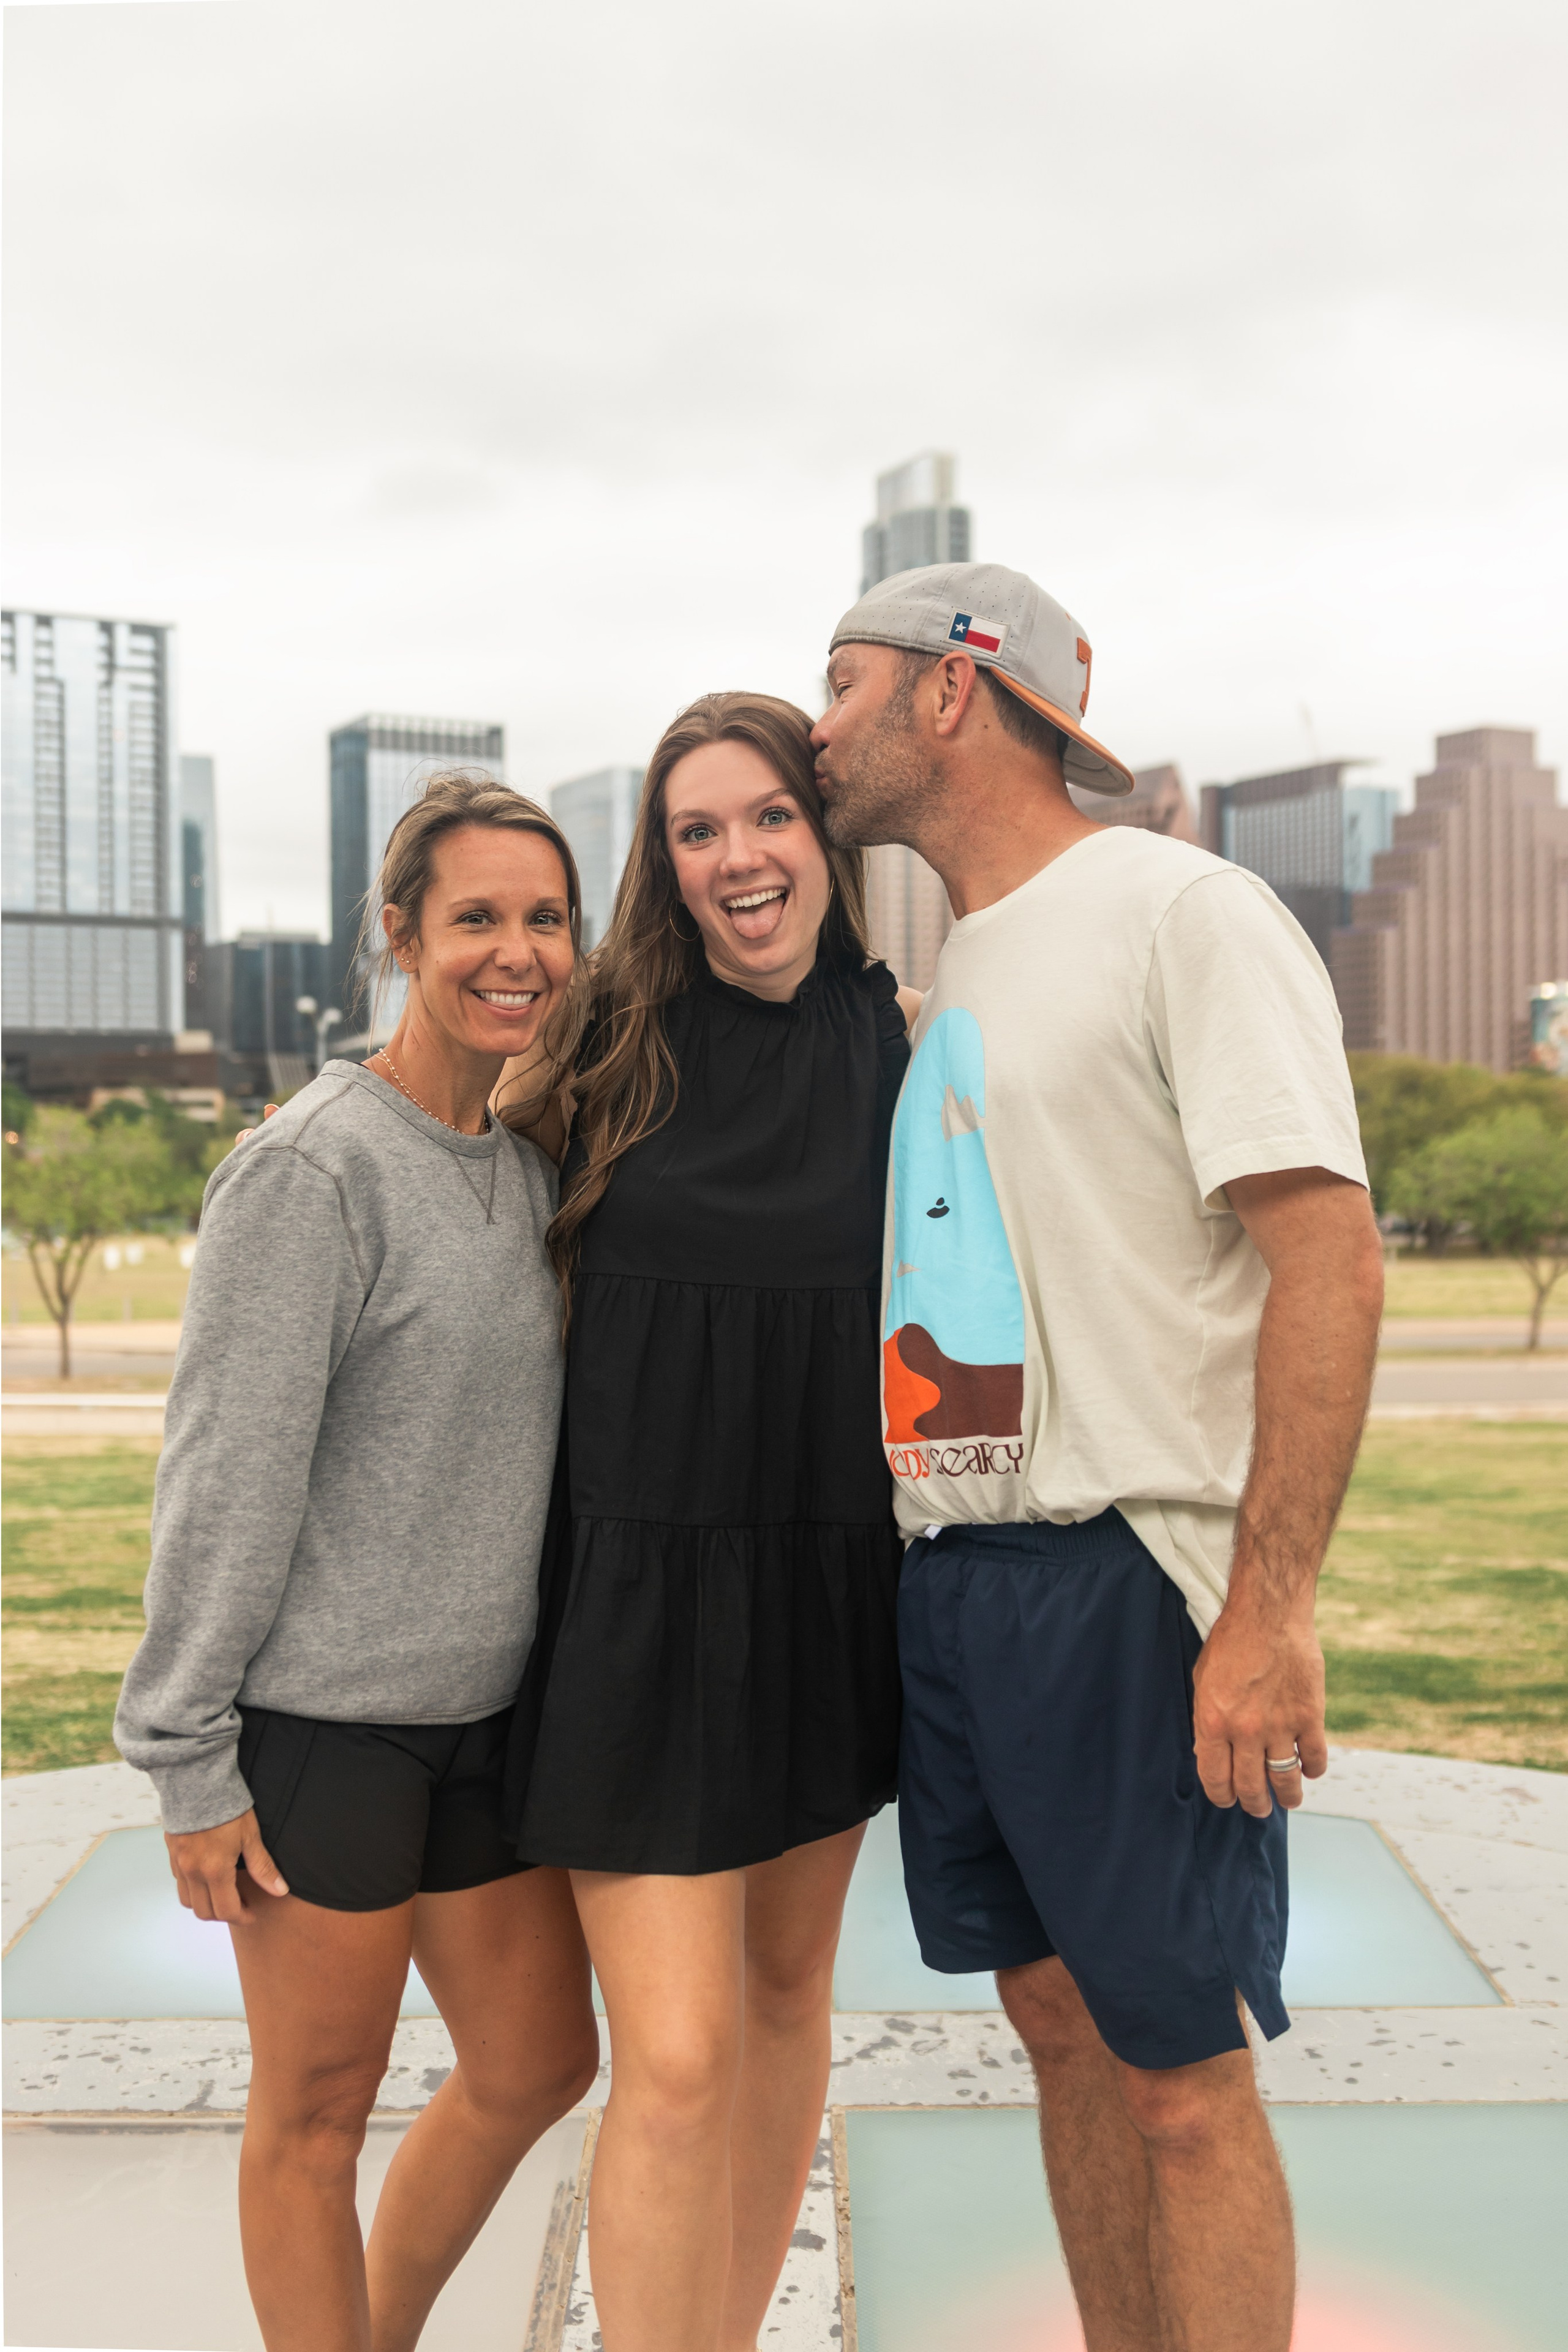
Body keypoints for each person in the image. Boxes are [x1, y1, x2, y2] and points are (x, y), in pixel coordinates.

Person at [812, 564, 1384, 2352]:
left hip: (1123, 1577)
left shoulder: (1180, 913)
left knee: (1181, 2079)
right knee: (1056, 2028)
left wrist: (1268, 1604)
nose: (817, 726)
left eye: (841, 684)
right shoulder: (954, 963)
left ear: (953, 691)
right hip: (958, 1578)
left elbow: (1329, 1253)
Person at [115, 773, 601, 2352]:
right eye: (475, 918)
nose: (514, 950)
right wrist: (189, 1758)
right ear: (399, 936)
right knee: (316, 2112)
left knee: (538, 2062)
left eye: (544, 918)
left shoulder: (525, 1170)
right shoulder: (311, 1170)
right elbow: (224, 1474)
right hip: (322, 1729)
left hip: (484, 1718)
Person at [509, 693, 914, 2352]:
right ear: (664, 865)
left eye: (767, 817)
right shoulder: (596, 1040)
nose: (738, 856)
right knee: (670, 2057)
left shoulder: (904, 1040)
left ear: (824, 839)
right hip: (634, 1589)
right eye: (698, 829)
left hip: (829, 1578)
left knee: (781, 2003)